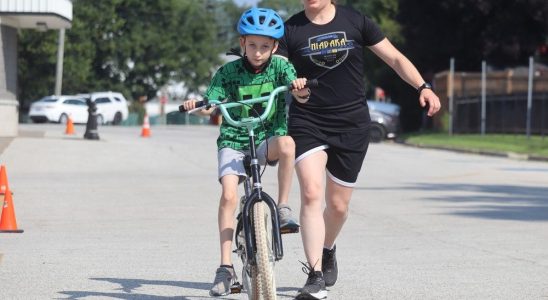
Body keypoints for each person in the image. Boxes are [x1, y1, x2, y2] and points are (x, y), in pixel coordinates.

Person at [276, 1, 441, 299]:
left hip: (351, 123)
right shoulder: (290, 30)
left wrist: (423, 87)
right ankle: (314, 275)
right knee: (312, 194)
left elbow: (395, 58)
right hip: (308, 121)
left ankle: (327, 249)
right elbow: (281, 74)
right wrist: (294, 89)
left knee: (338, 207)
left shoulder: (356, 21)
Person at [182, 7, 311, 297]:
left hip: (267, 137)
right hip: (233, 139)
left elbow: (300, 94)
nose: (258, 52)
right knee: (229, 195)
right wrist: (199, 106)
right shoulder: (227, 73)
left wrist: (300, 87)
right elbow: (212, 106)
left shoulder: (281, 67)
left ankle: (283, 207)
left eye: (265, 46)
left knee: (288, 143)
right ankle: (225, 267)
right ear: (242, 43)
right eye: (252, 45)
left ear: (275, 47)